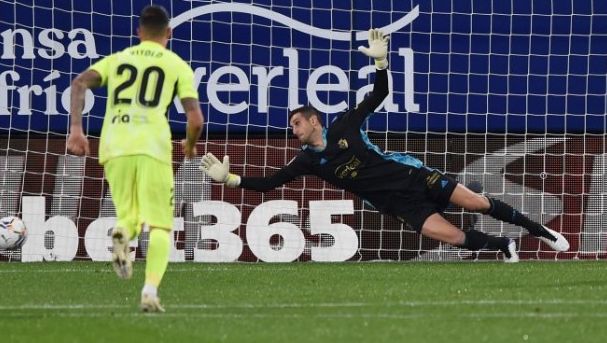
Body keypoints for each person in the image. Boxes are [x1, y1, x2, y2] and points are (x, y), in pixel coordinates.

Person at [200, 29, 569, 261]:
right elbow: (270, 183)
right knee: (455, 237)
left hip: (413, 177)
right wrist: (229, 179)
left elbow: (380, 93)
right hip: (397, 204)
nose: (293, 128)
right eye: (291, 125)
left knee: (479, 203)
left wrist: (380, 61)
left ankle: (543, 232)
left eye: (297, 121)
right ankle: (502, 245)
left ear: (315, 120)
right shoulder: (308, 161)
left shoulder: (346, 122)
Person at [66, 5, 203, 312]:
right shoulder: (176, 64)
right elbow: (195, 119)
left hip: (114, 145)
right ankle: (150, 291)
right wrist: (191, 146)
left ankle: (122, 234)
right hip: (153, 146)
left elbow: (78, 84)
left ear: (138, 33)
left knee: (128, 217)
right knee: (160, 226)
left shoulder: (118, 59)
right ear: (168, 33)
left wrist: (77, 129)